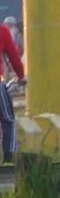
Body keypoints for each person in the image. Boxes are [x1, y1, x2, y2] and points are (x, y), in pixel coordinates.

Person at [0, 20, 24, 163]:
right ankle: (8, 156)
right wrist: (21, 76)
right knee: (8, 119)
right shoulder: (3, 32)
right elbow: (14, 58)